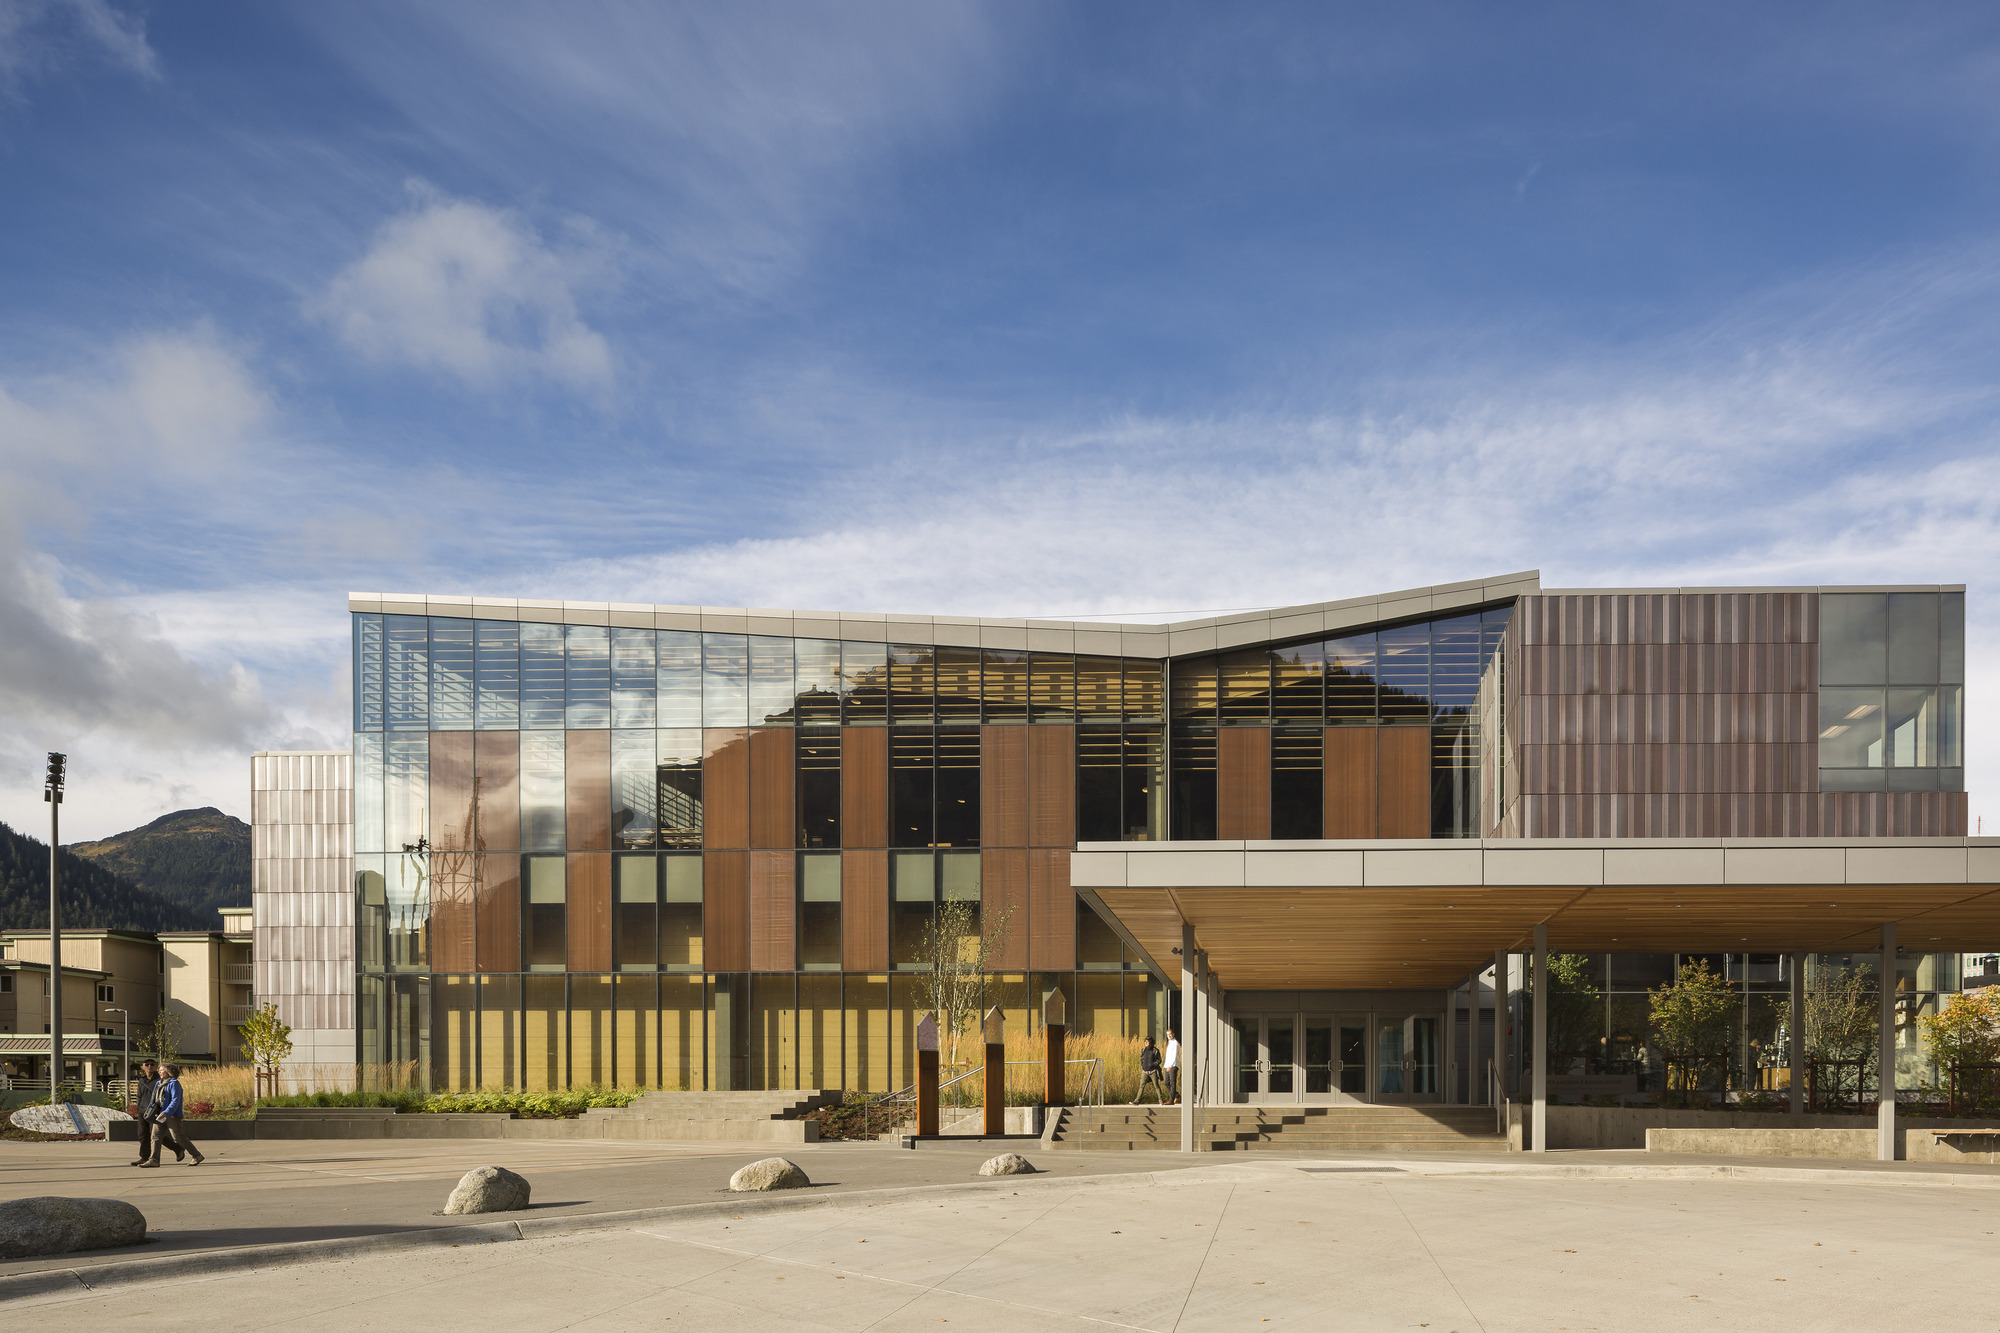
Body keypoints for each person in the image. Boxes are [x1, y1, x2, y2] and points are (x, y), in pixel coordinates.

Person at [140, 1063, 203, 1167]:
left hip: (171, 1115)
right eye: (159, 1070)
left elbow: (175, 1100)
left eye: (162, 1070)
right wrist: (151, 1111)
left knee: (177, 1137)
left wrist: (166, 1112)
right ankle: (154, 1160)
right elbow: (154, 1099)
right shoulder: (159, 1083)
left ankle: (196, 1155)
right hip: (159, 1114)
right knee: (155, 1136)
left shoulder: (174, 1083)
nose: (159, 1072)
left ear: (169, 1071)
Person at [129, 1059, 163, 1167]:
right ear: (143, 1067)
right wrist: (138, 1109)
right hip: (142, 1111)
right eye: (147, 1065)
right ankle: (144, 1157)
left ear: (156, 1067)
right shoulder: (142, 1080)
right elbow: (139, 1096)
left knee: (154, 1135)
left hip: (154, 1111)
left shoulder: (160, 1080)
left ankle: (176, 1149)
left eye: (152, 1064)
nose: (149, 1066)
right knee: (142, 1134)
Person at [1134, 1037, 1168, 1104]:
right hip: (1145, 1071)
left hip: (1153, 1071)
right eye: (1145, 1041)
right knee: (1141, 1086)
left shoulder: (1155, 1051)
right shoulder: (1143, 1050)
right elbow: (1141, 1059)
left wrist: (1153, 1065)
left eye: (1147, 1041)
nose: (1146, 1043)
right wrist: (1143, 1065)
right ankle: (1137, 1100)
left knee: (1156, 1086)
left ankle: (1160, 1100)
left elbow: (1159, 1060)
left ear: (1151, 1043)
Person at [1163, 1028, 1181, 1104]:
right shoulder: (1169, 1043)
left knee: (1172, 1083)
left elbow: (1174, 1056)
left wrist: (1170, 1066)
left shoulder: (1175, 1043)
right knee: (1166, 1082)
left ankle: (1171, 1100)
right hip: (1167, 1065)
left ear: (1173, 1034)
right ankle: (1177, 1095)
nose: (1169, 1036)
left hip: (1173, 1066)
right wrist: (1166, 1065)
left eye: (1170, 1034)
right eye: (1167, 1034)